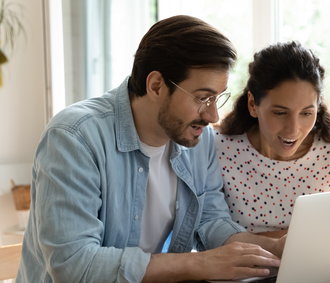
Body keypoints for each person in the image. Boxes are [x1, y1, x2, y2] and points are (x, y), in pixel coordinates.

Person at [17, 15, 284, 283]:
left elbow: (209, 221)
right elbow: (74, 265)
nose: (213, 115)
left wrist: (271, 249)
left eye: (217, 98)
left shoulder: (199, 139)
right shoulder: (74, 137)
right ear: (156, 85)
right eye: (203, 98)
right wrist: (198, 263)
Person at [215, 41, 330, 237]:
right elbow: (207, 233)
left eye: (306, 113)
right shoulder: (219, 150)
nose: (293, 130)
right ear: (252, 104)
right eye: (280, 113)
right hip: (238, 268)